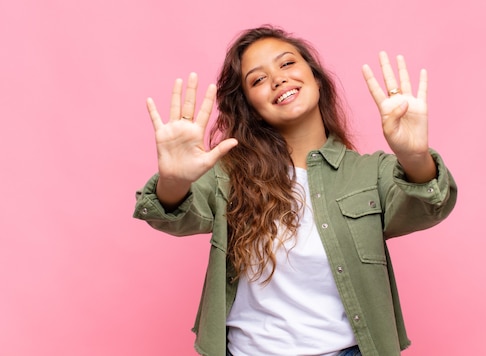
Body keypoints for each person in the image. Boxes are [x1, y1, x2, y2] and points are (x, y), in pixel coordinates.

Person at [133, 25, 457, 356]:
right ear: (249, 106)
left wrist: (414, 156)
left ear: (315, 77)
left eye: (287, 64)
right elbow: (170, 216)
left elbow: (429, 205)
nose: (277, 79)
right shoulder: (226, 175)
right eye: (258, 80)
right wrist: (173, 179)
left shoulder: (370, 172)